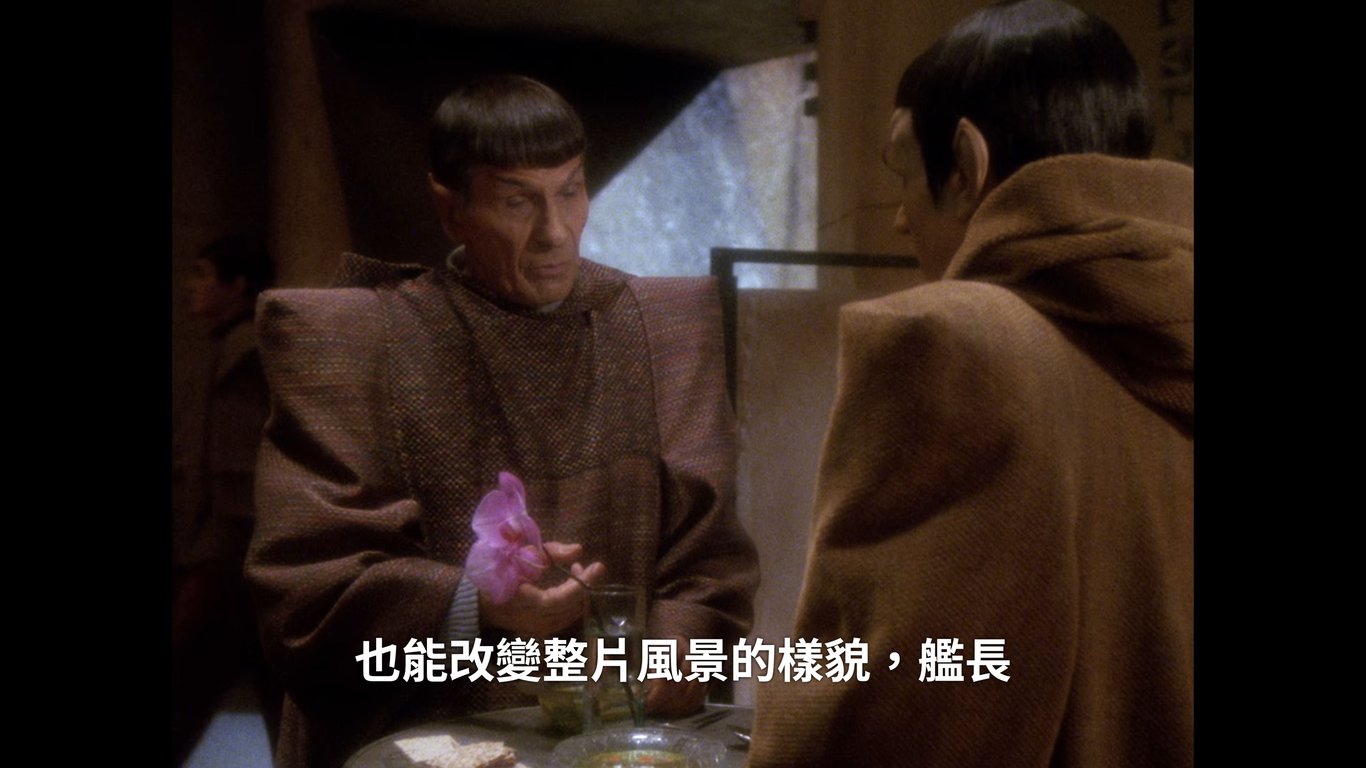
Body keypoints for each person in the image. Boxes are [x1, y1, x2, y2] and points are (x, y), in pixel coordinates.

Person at [246, 74, 760, 768]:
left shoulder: (659, 326)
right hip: (428, 742)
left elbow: (711, 554)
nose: (555, 233)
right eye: (518, 202)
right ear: (451, 210)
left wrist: (676, 648)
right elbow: (305, 592)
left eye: (570, 191)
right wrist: (472, 605)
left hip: (625, 738)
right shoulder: (353, 340)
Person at [747, 1, 1193, 765]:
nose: (899, 220)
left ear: (966, 163)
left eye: (904, 171)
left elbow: (899, 707)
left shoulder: (956, 342)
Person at [172, 234, 280, 765]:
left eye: (202, 273)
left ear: (236, 285)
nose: (189, 286)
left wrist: (212, 560)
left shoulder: (248, 353)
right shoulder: (226, 348)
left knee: (186, 680)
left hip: (233, 551)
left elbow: (238, 474)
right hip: (233, 551)